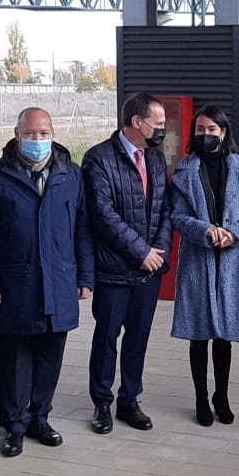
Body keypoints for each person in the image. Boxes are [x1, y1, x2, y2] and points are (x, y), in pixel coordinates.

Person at [0, 107, 94, 457]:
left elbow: (83, 230)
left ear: (53, 133)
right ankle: (14, 425)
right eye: (30, 134)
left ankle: (40, 417)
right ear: (16, 133)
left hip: (59, 281)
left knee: (49, 355)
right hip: (15, 283)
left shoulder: (70, 174)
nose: (38, 140)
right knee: (15, 358)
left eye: (44, 133)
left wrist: (85, 276)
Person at [82, 93, 172, 434]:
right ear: (138, 122)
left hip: (149, 270)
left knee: (138, 338)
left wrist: (159, 250)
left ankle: (129, 400)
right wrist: (141, 252)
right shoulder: (99, 159)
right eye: (158, 124)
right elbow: (103, 216)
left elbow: (165, 206)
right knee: (107, 337)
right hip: (113, 270)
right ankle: (101, 404)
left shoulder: (156, 158)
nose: (163, 130)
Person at [170, 105, 239, 426]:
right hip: (199, 259)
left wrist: (234, 233)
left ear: (223, 132)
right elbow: (178, 217)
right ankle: (200, 398)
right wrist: (205, 231)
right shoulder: (185, 171)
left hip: (232, 261)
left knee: (224, 336)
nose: (206, 135)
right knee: (199, 335)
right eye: (200, 130)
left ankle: (221, 396)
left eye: (212, 130)